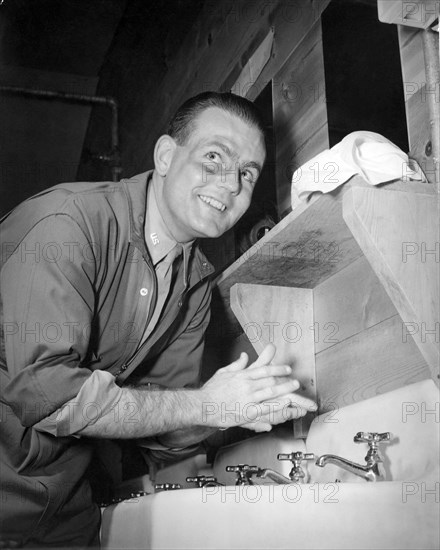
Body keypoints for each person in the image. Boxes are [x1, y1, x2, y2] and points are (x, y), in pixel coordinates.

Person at [0, 92, 317, 547]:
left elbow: (164, 428)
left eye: (247, 173)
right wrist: (209, 405)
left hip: (66, 507)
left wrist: (239, 408)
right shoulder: (67, 225)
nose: (230, 185)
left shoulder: (196, 283)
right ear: (166, 156)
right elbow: (50, 397)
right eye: (214, 158)